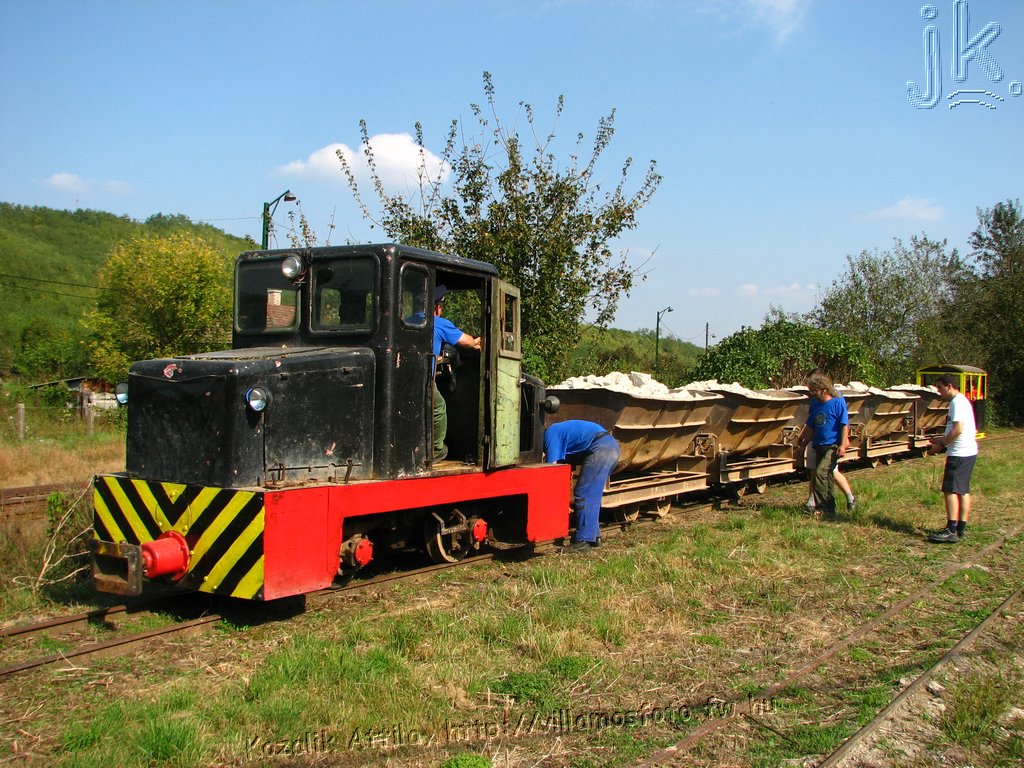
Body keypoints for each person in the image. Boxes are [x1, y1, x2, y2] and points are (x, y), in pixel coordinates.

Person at [543, 420, 620, 551]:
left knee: (584, 493)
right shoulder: (561, 432)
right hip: (611, 447)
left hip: (600, 448)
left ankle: (583, 541)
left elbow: (552, 469)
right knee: (592, 494)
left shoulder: (550, 435)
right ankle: (594, 537)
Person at [925, 374, 978, 543]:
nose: (938, 391)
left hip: (959, 453)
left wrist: (941, 445)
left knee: (950, 490)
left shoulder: (956, 403)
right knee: (962, 490)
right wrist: (940, 439)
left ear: (949, 386)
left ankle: (951, 530)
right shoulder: (962, 401)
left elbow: (958, 429)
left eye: (940, 388)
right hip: (968, 451)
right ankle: (961, 528)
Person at [431, 284, 481, 461]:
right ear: (437, 307)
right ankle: (436, 450)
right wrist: (477, 341)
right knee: (438, 407)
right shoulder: (439, 323)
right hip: (424, 381)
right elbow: (468, 342)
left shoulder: (411, 320)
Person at [796, 373, 849, 519]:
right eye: (810, 391)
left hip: (833, 445)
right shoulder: (815, 404)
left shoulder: (837, 402)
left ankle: (821, 507)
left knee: (820, 473)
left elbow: (844, 425)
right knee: (828, 477)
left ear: (824, 390)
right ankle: (830, 509)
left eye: (814, 391)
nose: (811, 394)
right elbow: (812, 426)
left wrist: (842, 445)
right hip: (818, 444)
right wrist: (803, 444)